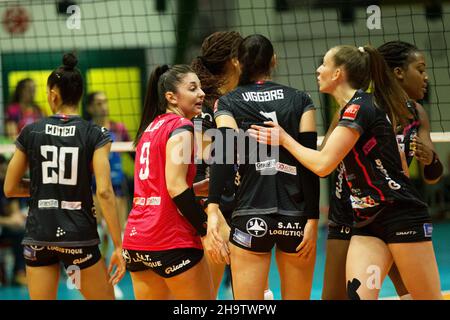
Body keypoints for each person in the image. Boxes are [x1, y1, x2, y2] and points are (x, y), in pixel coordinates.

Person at [249, 45, 443, 300]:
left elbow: (322, 165)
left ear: (338, 73)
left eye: (324, 64)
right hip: (366, 219)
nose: (318, 69)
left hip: (400, 215)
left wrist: (284, 139)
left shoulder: (360, 108)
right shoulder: (353, 108)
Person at [206, 34, 320, 300]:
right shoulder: (301, 100)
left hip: (251, 211)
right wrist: (313, 219)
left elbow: (223, 155)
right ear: (273, 61)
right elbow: (309, 163)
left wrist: (213, 208)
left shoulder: (228, 102)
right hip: (296, 214)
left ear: (237, 63)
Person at [3, 53, 125, 300]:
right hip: (78, 235)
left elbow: (10, 188)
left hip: (40, 235)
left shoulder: (30, 131)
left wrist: (46, 188)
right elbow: (104, 192)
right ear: (80, 95)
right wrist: (118, 245)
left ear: (53, 94)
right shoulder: (95, 133)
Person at [122, 64, 217, 300]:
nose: (201, 93)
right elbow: (175, 187)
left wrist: (195, 188)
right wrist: (205, 228)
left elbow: (159, 187)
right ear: (171, 97)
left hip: (136, 240)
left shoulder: (148, 129)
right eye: (193, 88)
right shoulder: (182, 127)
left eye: (201, 88)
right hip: (170, 239)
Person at [0, 155, 27, 286]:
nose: (4, 172)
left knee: (21, 231)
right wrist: (8, 221)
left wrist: (18, 216)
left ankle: (20, 272)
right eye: (2, 170)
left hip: (5, 227)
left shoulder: (5, 184)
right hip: (3, 224)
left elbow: (13, 208)